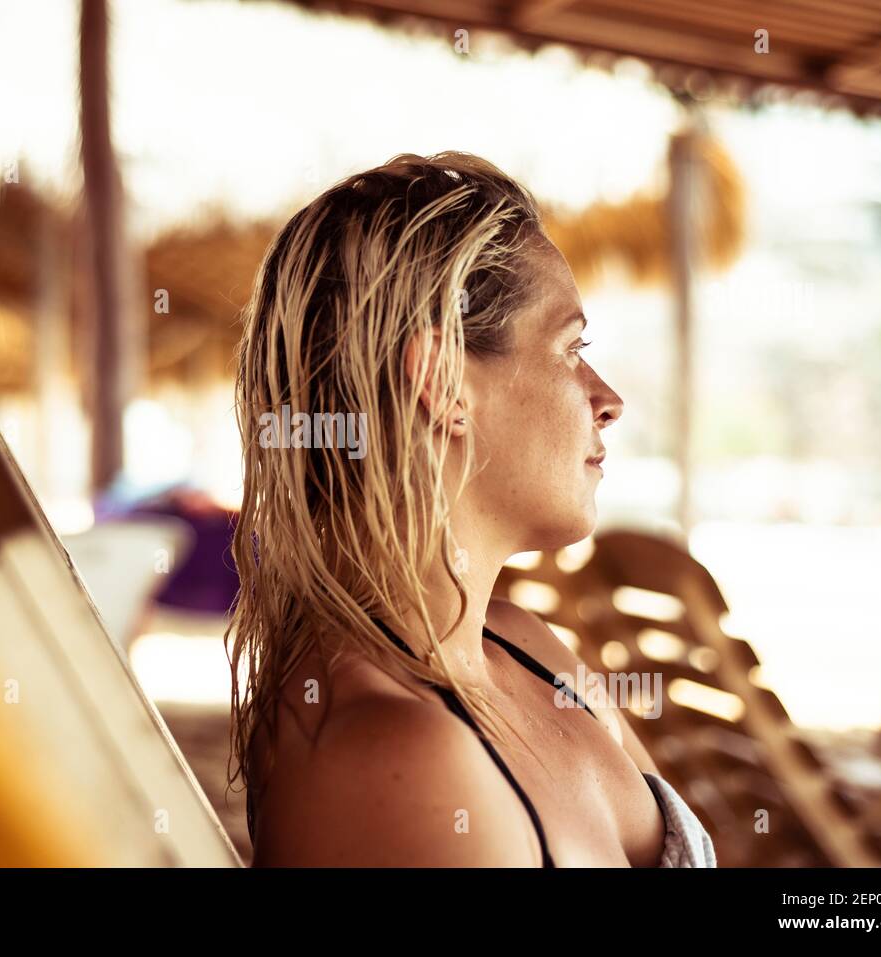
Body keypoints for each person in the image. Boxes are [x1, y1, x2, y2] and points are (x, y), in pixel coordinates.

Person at [226, 152, 715, 867]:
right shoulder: (393, 757)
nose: (607, 399)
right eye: (570, 347)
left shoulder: (526, 647)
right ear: (443, 380)